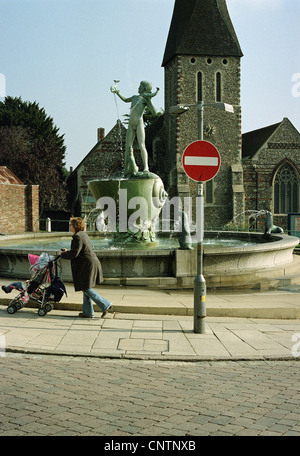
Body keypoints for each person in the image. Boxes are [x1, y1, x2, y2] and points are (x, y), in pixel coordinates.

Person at [57, 217, 112, 318]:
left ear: (75, 226)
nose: (70, 227)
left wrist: (62, 254)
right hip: (90, 263)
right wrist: (67, 251)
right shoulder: (83, 234)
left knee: (85, 288)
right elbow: (78, 251)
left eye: (71, 225)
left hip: (86, 265)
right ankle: (88, 312)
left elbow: (74, 254)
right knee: (85, 287)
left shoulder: (77, 236)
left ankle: (105, 304)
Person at [111, 80, 159, 177]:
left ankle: (146, 167)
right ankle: (126, 168)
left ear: (144, 89)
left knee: (141, 144)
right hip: (131, 124)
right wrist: (117, 92)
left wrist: (149, 101)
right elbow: (125, 100)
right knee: (128, 145)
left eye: (140, 86)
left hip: (139, 123)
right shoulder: (134, 97)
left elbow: (154, 112)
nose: (138, 87)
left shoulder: (145, 99)